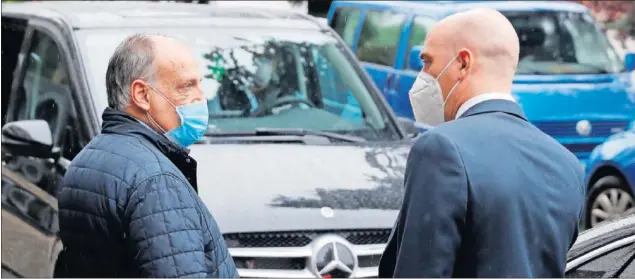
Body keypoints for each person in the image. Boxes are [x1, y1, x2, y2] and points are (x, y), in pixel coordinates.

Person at [379, 8, 585, 278]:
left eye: (428, 62)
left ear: (463, 63)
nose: (423, 75)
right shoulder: (566, 164)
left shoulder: (441, 149)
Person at [54, 34, 238, 278]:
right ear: (141, 95)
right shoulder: (156, 180)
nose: (200, 98)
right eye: (186, 86)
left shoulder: (87, 160)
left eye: (199, 84)